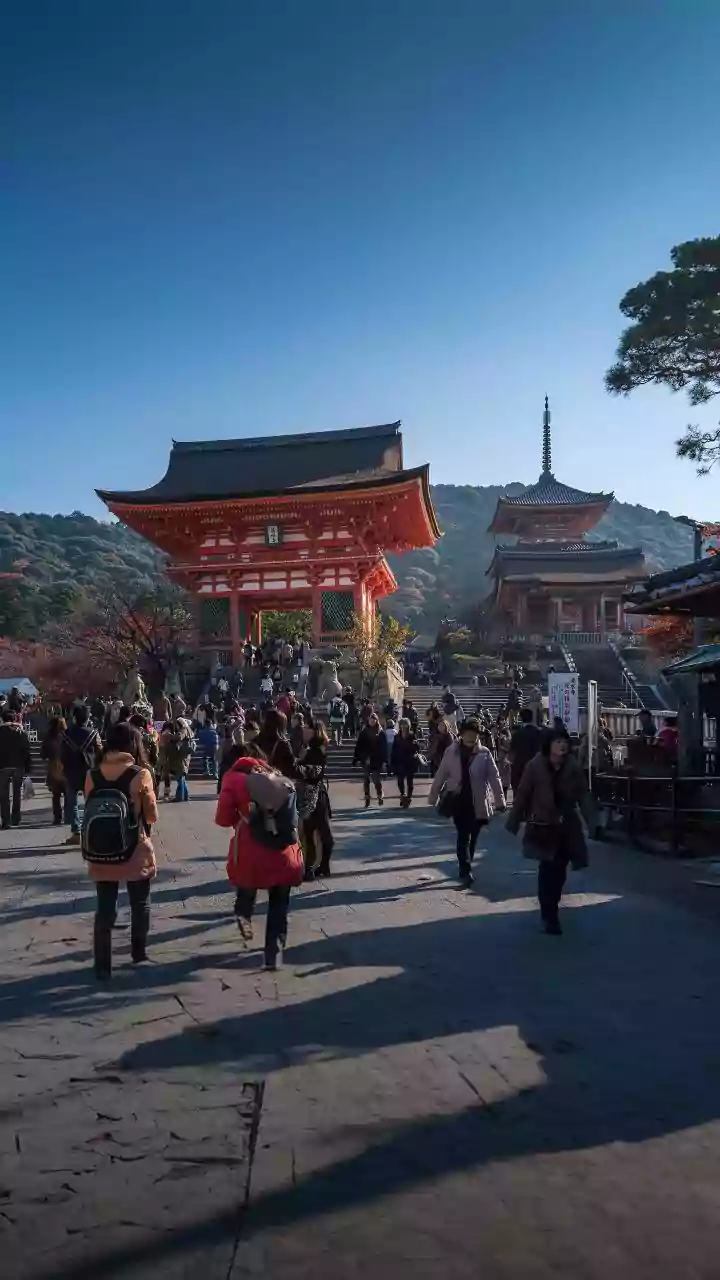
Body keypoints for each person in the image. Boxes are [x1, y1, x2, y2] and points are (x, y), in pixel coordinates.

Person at [215, 745, 304, 970]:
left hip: (250, 847)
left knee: (247, 887)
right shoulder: (277, 777)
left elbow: (223, 819)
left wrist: (242, 816)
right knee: (279, 901)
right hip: (283, 847)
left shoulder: (232, 779)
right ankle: (273, 953)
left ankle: (244, 920)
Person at [84, 721, 158, 979]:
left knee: (105, 908)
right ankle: (138, 953)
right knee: (140, 902)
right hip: (133, 847)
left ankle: (102, 964)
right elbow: (151, 816)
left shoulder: (92, 774)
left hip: (100, 848)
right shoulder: (140, 773)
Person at [506, 727, 595, 935]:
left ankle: (552, 904)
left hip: (567, 826)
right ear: (548, 745)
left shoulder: (572, 766)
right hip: (543, 825)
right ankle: (549, 914)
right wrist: (514, 820)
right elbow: (523, 794)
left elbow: (584, 795)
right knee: (547, 870)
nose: (562, 746)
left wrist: (593, 822)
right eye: (557, 742)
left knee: (560, 870)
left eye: (564, 742)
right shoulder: (534, 766)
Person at [428, 716, 505, 887]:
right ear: (462, 734)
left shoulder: (485, 753)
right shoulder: (452, 751)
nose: (471, 737)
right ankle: (465, 869)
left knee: (474, 836)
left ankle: (466, 864)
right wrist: (433, 797)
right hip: (458, 801)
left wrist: (500, 801)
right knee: (463, 836)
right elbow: (441, 774)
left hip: (478, 801)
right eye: (468, 733)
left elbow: (495, 777)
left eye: (474, 733)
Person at [60, 704, 102, 845]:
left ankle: (76, 832)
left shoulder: (66, 734)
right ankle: (91, 830)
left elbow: (62, 754)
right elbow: (100, 753)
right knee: (90, 803)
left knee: (72, 804)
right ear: (88, 718)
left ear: (74, 718)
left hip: (70, 772)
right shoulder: (93, 733)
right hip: (89, 772)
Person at [297, 722, 334, 877]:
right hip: (317, 794)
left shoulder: (315, 750)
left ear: (314, 731)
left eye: (307, 728)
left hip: (313, 795)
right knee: (319, 831)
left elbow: (313, 773)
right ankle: (321, 866)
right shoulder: (314, 747)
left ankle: (313, 867)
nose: (304, 730)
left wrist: (298, 761)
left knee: (312, 831)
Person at [0, 709, 33, 830]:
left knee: (3, 795)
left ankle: (6, 821)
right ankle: (16, 818)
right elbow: (27, 752)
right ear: (14, 719)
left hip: (2, 767)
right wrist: (28, 768)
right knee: (16, 793)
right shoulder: (21, 732)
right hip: (18, 766)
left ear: (2, 719)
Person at [353, 712, 388, 808]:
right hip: (366, 759)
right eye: (370, 719)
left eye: (374, 719)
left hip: (377, 759)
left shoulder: (381, 733)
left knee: (376, 779)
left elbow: (384, 748)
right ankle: (367, 797)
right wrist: (356, 758)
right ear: (368, 721)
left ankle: (380, 794)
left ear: (377, 721)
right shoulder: (364, 732)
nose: (372, 721)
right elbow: (358, 746)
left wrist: (385, 761)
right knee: (366, 779)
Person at [509, 708, 542, 794]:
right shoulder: (539, 732)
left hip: (519, 765)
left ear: (521, 718)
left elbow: (512, 751)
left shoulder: (517, 734)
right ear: (532, 718)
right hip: (536, 764)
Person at [256, 708, 296, 778]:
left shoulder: (256, 740)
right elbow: (292, 769)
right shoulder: (283, 745)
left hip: (258, 781)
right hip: (275, 782)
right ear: (281, 725)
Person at [41, 715, 67, 824]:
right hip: (66, 766)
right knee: (68, 794)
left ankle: (57, 818)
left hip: (53, 766)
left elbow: (42, 754)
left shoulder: (48, 736)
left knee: (56, 795)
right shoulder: (67, 735)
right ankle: (69, 816)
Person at [391, 717, 421, 808]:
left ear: (408, 726)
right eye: (402, 725)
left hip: (410, 761)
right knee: (400, 780)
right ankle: (403, 795)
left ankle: (408, 797)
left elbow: (417, 748)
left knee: (410, 781)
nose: (403, 727)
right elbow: (394, 749)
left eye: (405, 725)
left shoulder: (412, 736)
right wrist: (392, 761)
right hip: (400, 761)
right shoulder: (396, 737)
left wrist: (415, 746)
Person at [164, 720, 194, 801]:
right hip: (184, 755)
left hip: (181, 755)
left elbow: (179, 737)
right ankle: (185, 795)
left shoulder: (183, 730)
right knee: (182, 777)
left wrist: (170, 736)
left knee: (180, 777)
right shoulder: (189, 730)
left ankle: (180, 796)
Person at [494, 713, 512, 796]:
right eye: (501, 720)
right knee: (502, 775)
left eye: (503, 720)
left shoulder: (506, 730)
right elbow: (499, 745)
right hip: (502, 755)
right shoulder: (498, 730)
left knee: (505, 775)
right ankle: (502, 795)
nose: (502, 721)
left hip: (505, 755)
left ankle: (504, 794)